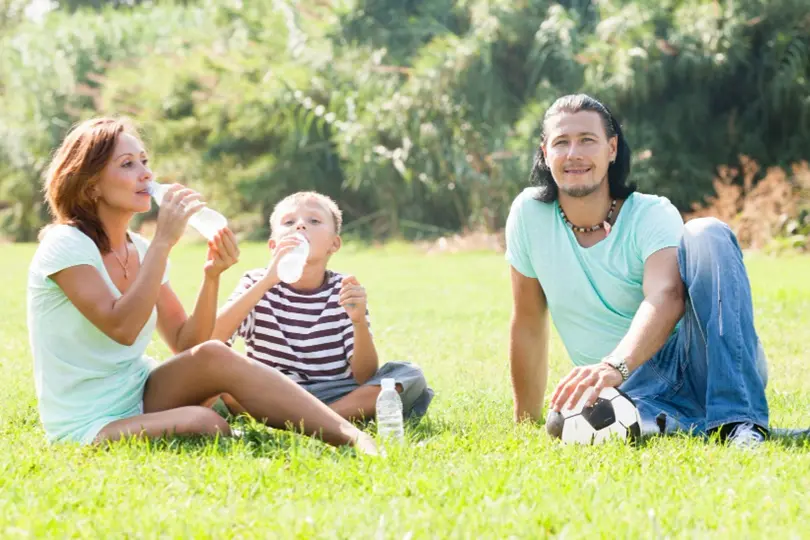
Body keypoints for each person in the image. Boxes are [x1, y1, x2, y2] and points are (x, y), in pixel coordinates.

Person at [27, 117, 376, 453]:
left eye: (145, 161)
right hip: (86, 419)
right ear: (91, 185)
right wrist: (163, 241)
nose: (146, 174)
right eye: (128, 164)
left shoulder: (140, 248)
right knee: (206, 422)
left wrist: (212, 276)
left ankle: (351, 436)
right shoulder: (66, 243)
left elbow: (187, 343)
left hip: (137, 390)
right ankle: (233, 417)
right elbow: (122, 328)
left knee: (214, 355)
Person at [505, 94, 769, 447]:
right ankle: (681, 423)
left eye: (587, 140)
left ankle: (740, 422)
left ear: (611, 148)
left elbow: (666, 295)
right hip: (625, 393)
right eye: (561, 143)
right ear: (545, 151)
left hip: (695, 365)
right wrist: (524, 423)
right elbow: (528, 321)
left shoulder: (651, 214)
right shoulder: (528, 215)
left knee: (706, 232)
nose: (574, 154)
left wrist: (616, 365)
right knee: (570, 431)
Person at [211, 191, 434, 422]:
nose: (300, 227)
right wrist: (268, 280)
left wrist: (358, 323)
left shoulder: (344, 289)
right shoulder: (255, 282)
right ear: (273, 245)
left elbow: (364, 375)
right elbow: (212, 340)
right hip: (269, 393)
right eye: (289, 222)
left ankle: (313, 420)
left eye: (314, 221)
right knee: (205, 380)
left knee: (409, 375)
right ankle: (320, 421)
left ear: (333, 244)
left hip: (332, 394)